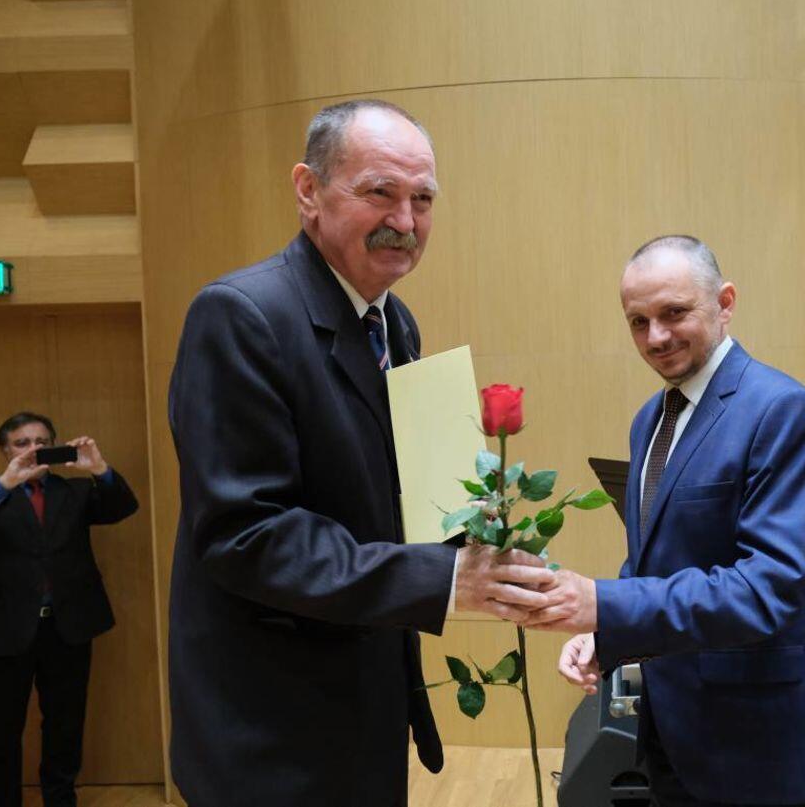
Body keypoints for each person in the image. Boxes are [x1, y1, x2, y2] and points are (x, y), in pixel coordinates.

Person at [167, 99, 557, 807]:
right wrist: (448, 577)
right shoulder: (241, 315)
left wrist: (492, 546)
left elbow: (402, 495)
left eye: (423, 199)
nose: (404, 221)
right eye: (380, 192)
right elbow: (247, 535)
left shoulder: (393, 322)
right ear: (308, 190)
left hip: (362, 709)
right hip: (271, 731)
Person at [526, 236, 805, 807]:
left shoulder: (781, 409)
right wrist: (605, 635)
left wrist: (605, 604)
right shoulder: (649, 419)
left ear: (725, 302)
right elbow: (656, 560)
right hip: (675, 736)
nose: (655, 337)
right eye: (638, 322)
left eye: (674, 313)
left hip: (768, 746)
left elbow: (767, 589)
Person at [0, 411, 137, 807]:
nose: (33, 449)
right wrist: (4, 485)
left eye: (42, 442)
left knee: (65, 724)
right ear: (5, 450)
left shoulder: (75, 492)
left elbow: (123, 507)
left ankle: (60, 800)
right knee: (0, 728)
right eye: (22, 443)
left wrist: (99, 469)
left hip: (67, 628)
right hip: (1, 631)